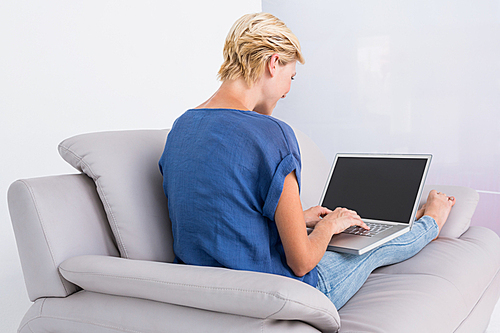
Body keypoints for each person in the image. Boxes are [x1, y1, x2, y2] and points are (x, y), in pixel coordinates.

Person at [159, 12, 456, 310]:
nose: (288, 91)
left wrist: (298, 219)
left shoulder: (181, 127)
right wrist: (330, 226)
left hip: (207, 294)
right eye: (291, 77)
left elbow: (222, 218)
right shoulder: (272, 133)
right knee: (370, 248)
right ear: (273, 63)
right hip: (276, 295)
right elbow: (301, 263)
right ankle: (432, 220)